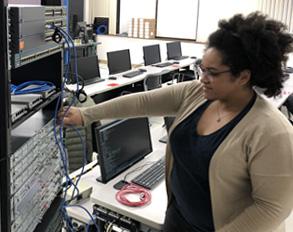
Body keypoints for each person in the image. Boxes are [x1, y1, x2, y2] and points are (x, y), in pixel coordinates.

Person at [58, 12, 293, 232]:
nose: (202, 78)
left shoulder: (271, 132)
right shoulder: (196, 93)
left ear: (243, 76)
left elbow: (272, 207)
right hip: (177, 218)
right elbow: (142, 103)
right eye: (203, 68)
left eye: (212, 72)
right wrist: (86, 115)